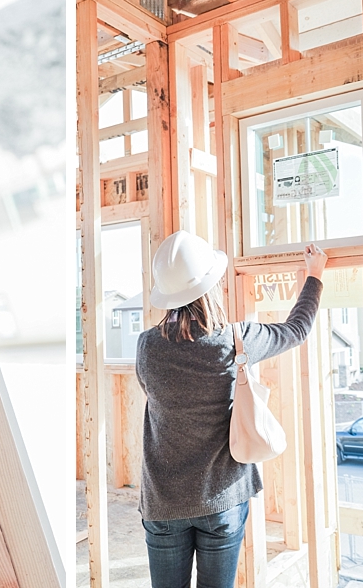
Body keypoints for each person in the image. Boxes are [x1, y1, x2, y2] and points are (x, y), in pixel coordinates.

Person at [136, 231, 327, 587]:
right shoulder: (236, 340)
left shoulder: (147, 346)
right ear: (212, 285)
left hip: (163, 502)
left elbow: (151, 391)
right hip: (222, 499)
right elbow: (297, 329)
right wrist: (313, 275)